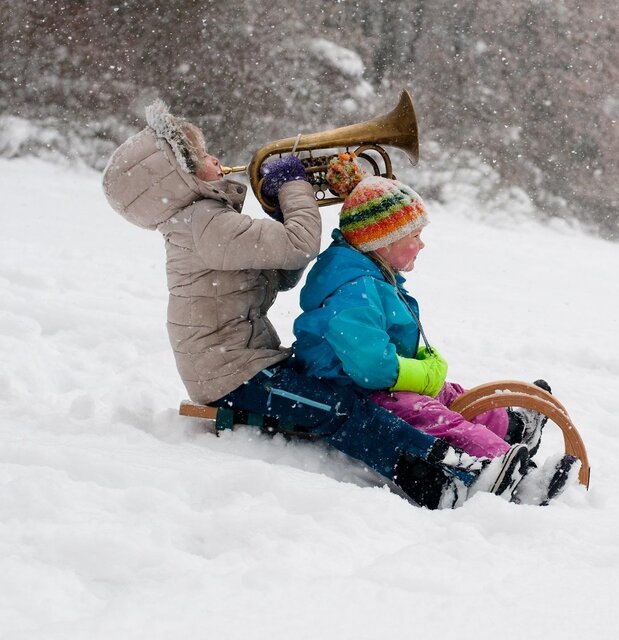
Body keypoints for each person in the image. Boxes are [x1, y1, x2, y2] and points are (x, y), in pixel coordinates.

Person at [101, 99, 529, 509]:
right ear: (177, 177)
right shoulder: (205, 225)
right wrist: (295, 186)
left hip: (242, 362)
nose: (216, 159)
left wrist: (286, 212)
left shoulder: (205, 223)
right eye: (202, 157)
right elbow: (301, 246)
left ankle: (483, 440)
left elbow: (283, 271)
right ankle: (437, 476)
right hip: (231, 375)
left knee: (342, 395)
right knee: (340, 410)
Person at [291, 153, 580, 505]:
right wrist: (424, 374)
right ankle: (515, 475)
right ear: (384, 241)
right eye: (415, 235)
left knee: (449, 394)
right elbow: (371, 368)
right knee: (434, 416)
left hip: (372, 382)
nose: (422, 243)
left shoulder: (368, 276)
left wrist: (422, 361)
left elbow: (382, 340)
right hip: (353, 390)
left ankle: (515, 427)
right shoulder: (354, 289)